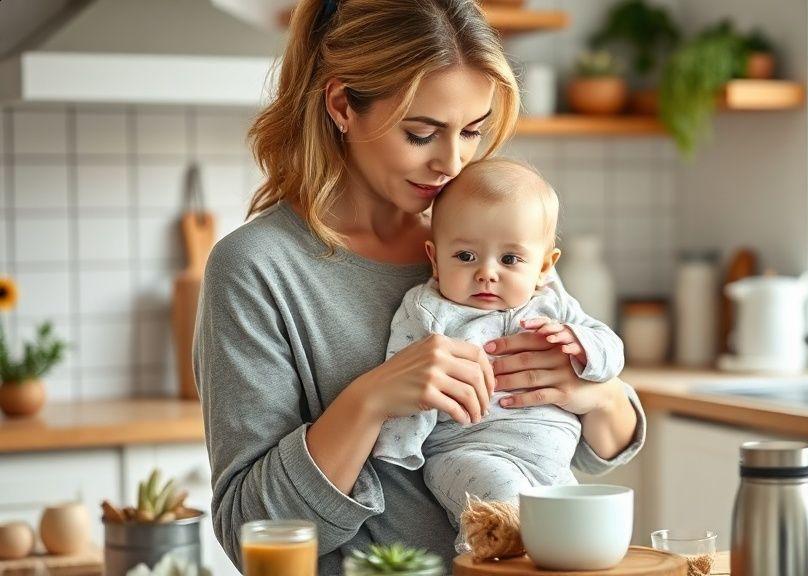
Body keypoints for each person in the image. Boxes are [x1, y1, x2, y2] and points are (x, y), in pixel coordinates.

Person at [194, 0, 646, 573]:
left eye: (472, 133)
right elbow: (248, 529)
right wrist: (370, 400)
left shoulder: (486, 239)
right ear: (341, 106)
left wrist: (594, 393)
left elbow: (603, 444)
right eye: (421, 133)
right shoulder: (257, 269)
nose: (451, 164)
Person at [372, 159, 625, 543]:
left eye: (509, 259)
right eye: (465, 256)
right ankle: (484, 551)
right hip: (468, 454)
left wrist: (584, 345)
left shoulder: (553, 303)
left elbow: (611, 349)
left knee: (577, 537)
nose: (487, 273)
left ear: (544, 266)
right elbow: (403, 373)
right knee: (504, 511)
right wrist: (399, 447)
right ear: (435, 259)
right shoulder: (428, 309)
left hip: (553, 463)